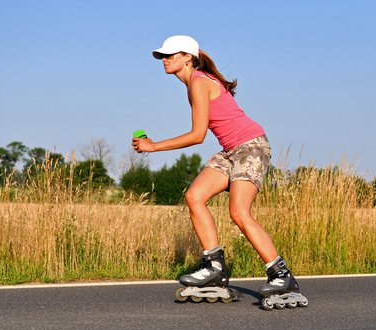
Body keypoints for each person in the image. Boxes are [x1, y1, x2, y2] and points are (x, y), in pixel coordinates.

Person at [131, 35, 306, 309]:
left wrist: (154, 147)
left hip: (251, 147)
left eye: (170, 55)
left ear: (187, 57)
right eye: (162, 56)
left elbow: (198, 135)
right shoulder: (193, 84)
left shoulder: (199, 83)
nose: (165, 60)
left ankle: (281, 274)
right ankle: (215, 267)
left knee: (238, 211)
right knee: (195, 196)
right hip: (230, 151)